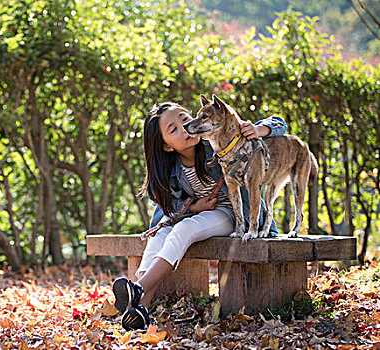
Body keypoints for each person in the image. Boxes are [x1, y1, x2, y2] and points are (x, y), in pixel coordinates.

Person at [112, 101, 288, 331]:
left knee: (184, 230)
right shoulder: (172, 169)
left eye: (185, 118)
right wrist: (193, 207)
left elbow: (280, 124)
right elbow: (168, 206)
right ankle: (140, 309)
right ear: (166, 146)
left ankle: (137, 288)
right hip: (199, 214)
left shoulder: (219, 142)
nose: (184, 127)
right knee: (157, 238)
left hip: (234, 216)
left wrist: (259, 130)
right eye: (173, 129)